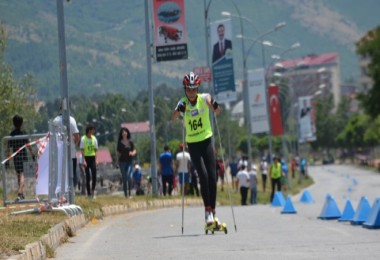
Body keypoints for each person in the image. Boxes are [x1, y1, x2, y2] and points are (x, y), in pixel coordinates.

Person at [171, 71, 221, 225]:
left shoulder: (204, 98)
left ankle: (213, 211)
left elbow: (218, 111)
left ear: (197, 89)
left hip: (206, 141)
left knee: (213, 177)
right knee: (203, 175)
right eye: (188, 89)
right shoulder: (182, 102)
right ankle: (207, 211)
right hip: (193, 144)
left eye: (193, 89)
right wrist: (179, 110)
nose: (191, 93)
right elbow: (173, 118)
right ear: (185, 89)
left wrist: (213, 104)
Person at [7, 115, 36, 201]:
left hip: (16, 157)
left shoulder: (11, 134)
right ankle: (20, 193)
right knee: (23, 175)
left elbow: (8, 147)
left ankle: (21, 194)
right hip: (23, 156)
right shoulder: (23, 133)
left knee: (18, 175)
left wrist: (8, 158)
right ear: (21, 123)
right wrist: (32, 154)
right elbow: (28, 145)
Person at [53, 106, 80, 191]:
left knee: (59, 175)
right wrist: (72, 144)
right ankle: (71, 192)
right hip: (71, 153)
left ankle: (61, 193)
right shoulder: (71, 120)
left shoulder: (55, 121)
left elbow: (52, 137)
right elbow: (77, 136)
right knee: (71, 175)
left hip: (58, 154)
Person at [116, 127, 136, 198]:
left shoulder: (130, 142)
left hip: (129, 161)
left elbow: (134, 150)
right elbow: (118, 153)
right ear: (121, 134)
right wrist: (117, 162)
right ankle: (126, 194)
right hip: (122, 162)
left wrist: (132, 153)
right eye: (123, 132)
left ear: (127, 133)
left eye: (125, 132)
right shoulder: (119, 143)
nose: (124, 133)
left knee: (129, 176)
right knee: (124, 178)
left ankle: (130, 193)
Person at [80, 124, 98, 199]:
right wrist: (84, 160)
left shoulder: (94, 138)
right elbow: (82, 150)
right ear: (89, 130)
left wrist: (96, 159)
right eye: (92, 130)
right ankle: (89, 193)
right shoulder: (83, 139)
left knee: (94, 176)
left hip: (92, 158)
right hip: (86, 158)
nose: (93, 131)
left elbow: (96, 149)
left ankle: (93, 190)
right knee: (88, 176)